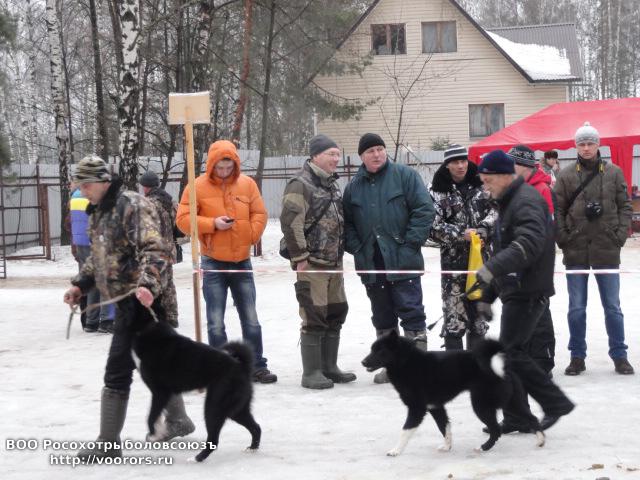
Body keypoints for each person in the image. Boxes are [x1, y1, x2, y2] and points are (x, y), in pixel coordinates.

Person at [63, 156, 194, 461]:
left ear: (103, 181)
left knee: (117, 370)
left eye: (87, 185)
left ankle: (108, 444)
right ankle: (178, 419)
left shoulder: (132, 205)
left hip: (145, 302)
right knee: (155, 364)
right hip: (126, 302)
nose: (83, 191)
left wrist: (147, 286)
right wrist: (80, 285)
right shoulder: (99, 211)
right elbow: (99, 258)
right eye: (79, 185)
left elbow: (157, 249)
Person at [476, 149, 574, 433]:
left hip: (529, 289)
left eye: (488, 180)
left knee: (512, 353)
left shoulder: (526, 200)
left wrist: (491, 268)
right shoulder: (510, 201)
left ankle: (555, 403)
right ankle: (518, 416)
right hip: (516, 288)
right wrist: (487, 295)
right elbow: (506, 251)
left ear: (505, 176)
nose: (485, 186)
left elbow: (528, 244)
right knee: (510, 354)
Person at [176, 140, 277, 384]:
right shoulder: (196, 186)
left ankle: (256, 365)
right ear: (211, 165)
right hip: (213, 263)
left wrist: (250, 235)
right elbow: (183, 220)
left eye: (228, 167)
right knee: (215, 321)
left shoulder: (247, 184)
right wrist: (212, 224)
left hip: (242, 262)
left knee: (251, 319)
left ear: (235, 164)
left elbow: (259, 213)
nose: (224, 172)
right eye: (220, 167)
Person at [343, 133, 435, 384]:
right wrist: (357, 248)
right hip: (372, 263)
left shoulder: (405, 176)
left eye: (380, 149)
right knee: (382, 316)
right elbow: (347, 224)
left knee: (412, 312)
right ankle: (392, 368)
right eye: (370, 151)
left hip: (403, 259)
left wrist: (410, 244)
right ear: (361, 156)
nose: (376, 154)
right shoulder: (353, 187)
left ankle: (417, 367)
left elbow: (424, 210)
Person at [554, 122, 634, 375]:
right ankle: (577, 356)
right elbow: (557, 209)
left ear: (598, 145)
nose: (586, 148)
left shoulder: (614, 172)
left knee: (613, 307)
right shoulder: (566, 175)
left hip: (606, 248)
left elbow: (625, 206)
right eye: (582, 144)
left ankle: (620, 355)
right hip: (575, 249)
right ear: (576, 146)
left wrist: (619, 236)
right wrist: (563, 238)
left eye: (590, 143)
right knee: (576, 308)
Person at [281, 134, 355, 389]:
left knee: (336, 312)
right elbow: (291, 223)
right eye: (331, 154)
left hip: (334, 263)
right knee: (314, 314)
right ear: (315, 156)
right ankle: (311, 372)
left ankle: (329, 367)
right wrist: (300, 257)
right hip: (312, 263)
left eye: (337, 154)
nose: (336, 159)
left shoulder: (332, 184)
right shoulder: (299, 184)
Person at [428, 144, 496, 351]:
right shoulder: (436, 190)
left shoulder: (483, 183)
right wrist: (460, 234)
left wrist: (485, 229)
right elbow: (432, 227)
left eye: (463, 161)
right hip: (453, 266)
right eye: (455, 162)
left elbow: (498, 211)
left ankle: (478, 366)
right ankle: (454, 366)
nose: (460, 166)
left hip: (482, 262)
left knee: (479, 320)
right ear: (447, 165)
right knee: (454, 320)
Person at [508, 145, 556, 375]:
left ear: (524, 166)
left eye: (513, 164)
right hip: (516, 259)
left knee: (539, 312)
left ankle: (543, 361)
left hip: (537, 261)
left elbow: (546, 228)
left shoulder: (542, 189)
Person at [69, 186, 115, 333]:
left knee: (89, 281)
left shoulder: (75, 196)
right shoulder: (94, 195)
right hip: (94, 242)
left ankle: (91, 321)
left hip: (80, 242)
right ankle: (106, 320)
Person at [139, 170, 179, 327]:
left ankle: (155, 317)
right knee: (168, 282)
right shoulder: (169, 201)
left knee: (154, 281)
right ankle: (172, 316)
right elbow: (177, 224)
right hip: (169, 247)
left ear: (146, 187)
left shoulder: (148, 204)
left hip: (155, 249)